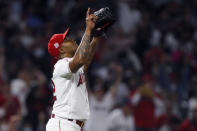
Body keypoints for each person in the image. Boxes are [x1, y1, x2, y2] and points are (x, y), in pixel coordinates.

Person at [46, 8, 100, 131]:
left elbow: (84, 62)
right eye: (66, 40)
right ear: (61, 50)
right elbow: (80, 59)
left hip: (71, 125)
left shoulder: (71, 65)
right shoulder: (61, 65)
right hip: (63, 123)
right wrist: (88, 30)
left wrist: (96, 37)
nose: (71, 39)